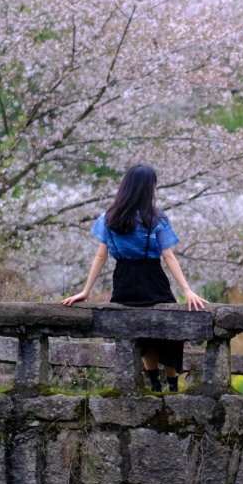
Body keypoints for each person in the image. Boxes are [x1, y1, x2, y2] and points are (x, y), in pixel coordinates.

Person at [61, 163, 208, 391]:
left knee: (139, 331)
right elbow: (168, 256)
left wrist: (86, 291)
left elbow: (100, 256)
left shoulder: (109, 217)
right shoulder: (155, 218)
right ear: (149, 188)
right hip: (153, 280)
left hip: (124, 284)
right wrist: (187, 290)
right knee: (170, 331)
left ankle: (155, 384)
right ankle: (172, 386)